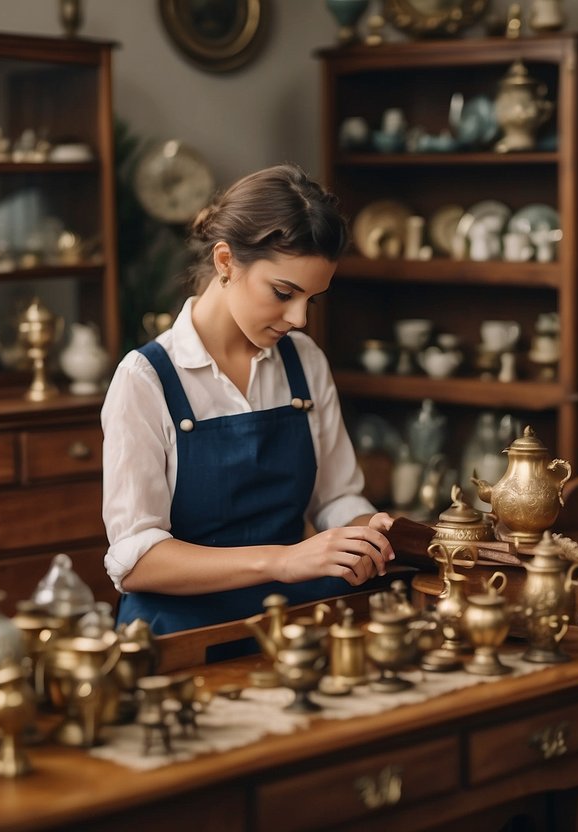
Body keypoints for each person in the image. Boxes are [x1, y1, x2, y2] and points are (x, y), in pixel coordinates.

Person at [102, 163, 395, 637]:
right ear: (225, 262)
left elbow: (337, 496)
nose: (299, 318)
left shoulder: (304, 361)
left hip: (293, 626)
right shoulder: (145, 379)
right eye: (284, 293)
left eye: (312, 300)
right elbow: (137, 560)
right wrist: (284, 560)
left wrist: (364, 532)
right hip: (179, 637)